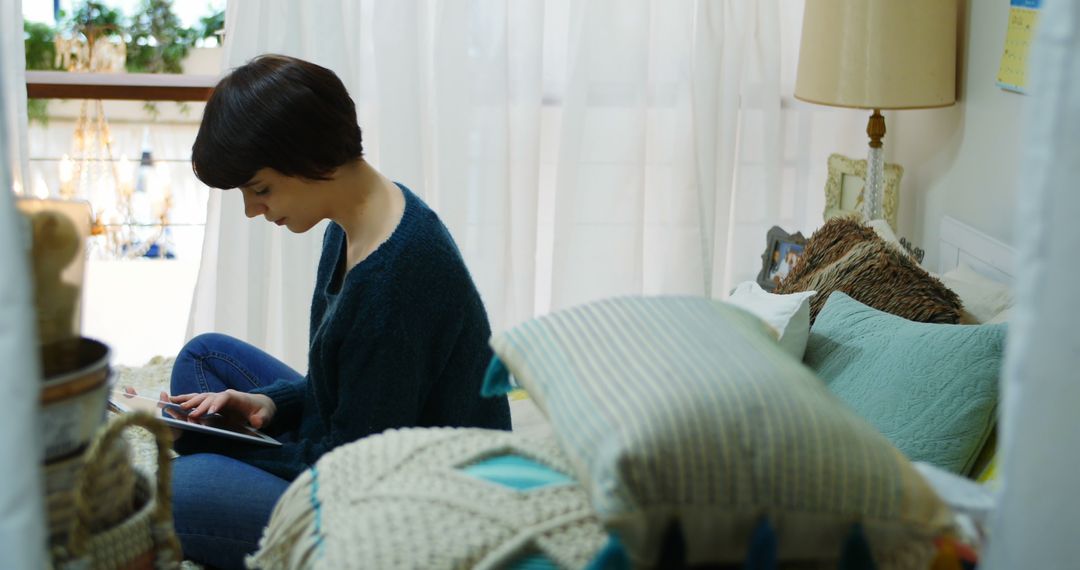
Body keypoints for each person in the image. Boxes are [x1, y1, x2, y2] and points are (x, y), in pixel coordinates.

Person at [164, 54, 511, 569]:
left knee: (176, 488)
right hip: (370, 444)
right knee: (205, 357)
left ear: (313, 158)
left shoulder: (396, 277)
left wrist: (231, 449)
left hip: (413, 507)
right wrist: (269, 404)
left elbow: (352, 468)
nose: (252, 210)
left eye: (259, 189)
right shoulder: (358, 220)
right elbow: (354, 385)